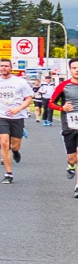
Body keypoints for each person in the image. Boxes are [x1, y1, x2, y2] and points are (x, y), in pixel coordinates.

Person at [0, 59, 35, 184]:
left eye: (6, 66)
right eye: (1, 66)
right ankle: (8, 173)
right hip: (1, 115)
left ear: (11, 67)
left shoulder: (20, 82)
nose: (4, 68)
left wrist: (17, 109)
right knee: (4, 143)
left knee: (15, 144)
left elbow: (29, 98)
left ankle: (15, 151)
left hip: (17, 116)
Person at [47, 59, 78, 197]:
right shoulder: (64, 86)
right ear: (70, 70)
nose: (77, 70)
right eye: (74, 68)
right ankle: (71, 166)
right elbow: (50, 103)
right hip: (70, 124)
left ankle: (77, 186)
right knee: (72, 158)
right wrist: (62, 108)